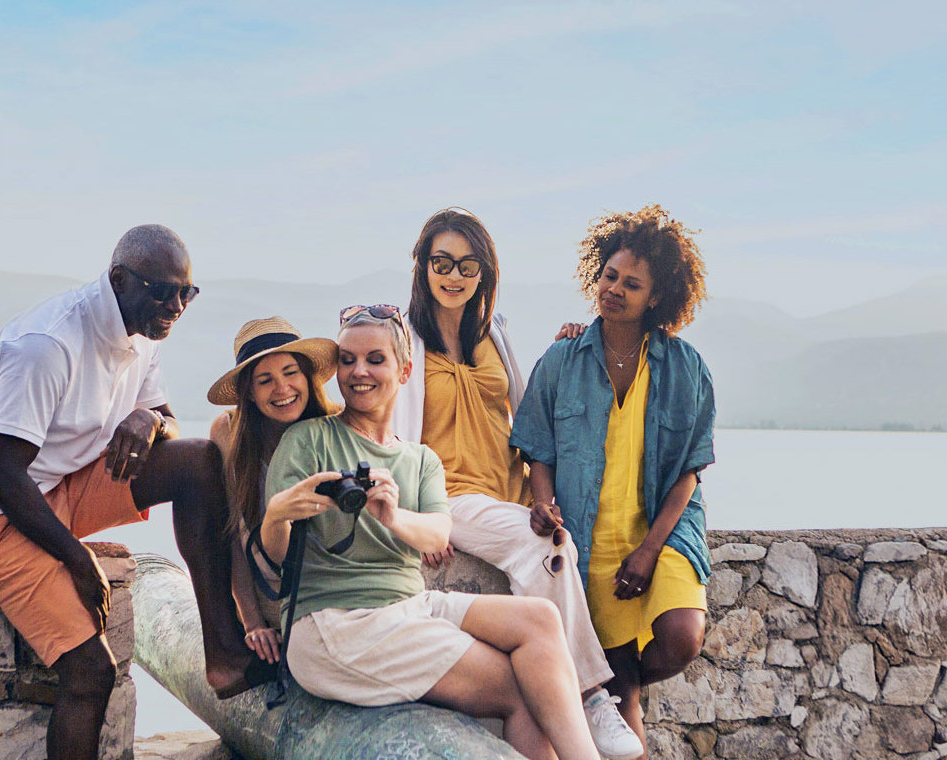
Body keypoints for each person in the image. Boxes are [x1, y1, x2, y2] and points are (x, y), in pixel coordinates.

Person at [0, 225, 261, 760]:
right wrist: (76, 558)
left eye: (187, 293)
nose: (175, 306)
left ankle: (223, 653)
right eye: (162, 291)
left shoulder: (144, 331)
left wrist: (146, 419)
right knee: (91, 671)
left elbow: (170, 422)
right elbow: (1, 476)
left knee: (199, 460)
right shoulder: (47, 346)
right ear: (119, 280)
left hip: (57, 485)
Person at [258, 305, 601, 760]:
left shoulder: (421, 460)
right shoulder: (309, 440)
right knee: (522, 690)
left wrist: (393, 516)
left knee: (540, 619)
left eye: (375, 360)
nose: (359, 371)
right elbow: (280, 554)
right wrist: (275, 516)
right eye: (347, 360)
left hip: (409, 606)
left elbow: (438, 535)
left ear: (404, 371)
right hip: (335, 622)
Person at [391, 208, 643, 759]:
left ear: (484, 272)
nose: (453, 275)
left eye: (467, 264)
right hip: (448, 497)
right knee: (545, 544)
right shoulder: (403, 339)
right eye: (441, 262)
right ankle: (592, 696)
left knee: (554, 538)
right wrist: (415, 522)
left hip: (508, 491)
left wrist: (569, 347)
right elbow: (385, 432)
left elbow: (530, 410)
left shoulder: (493, 333)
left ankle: (577, 702)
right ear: (422, 266)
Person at [510, 205, 715, 746]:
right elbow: (539, 451)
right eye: (609, 276)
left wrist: (649, 550)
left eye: (632, 284)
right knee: (623, 711)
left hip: (662, 534)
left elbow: (689, 472)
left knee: (680, 639)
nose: (615, 289)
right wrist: (543, 504)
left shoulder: (686, 368)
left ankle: (581, 683)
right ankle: (603, 685)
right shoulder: (560, 360)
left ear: (657, 297)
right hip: (589, 542)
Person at [205, 317, 339, 665]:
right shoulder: (228, 432)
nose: (282, 389)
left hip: (332, 588)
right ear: (249, 391)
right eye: (265, 380)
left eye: (290, 373)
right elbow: (233, 532)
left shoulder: (335, 422)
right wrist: (251, 622)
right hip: (271, 594)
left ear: (307, 376)